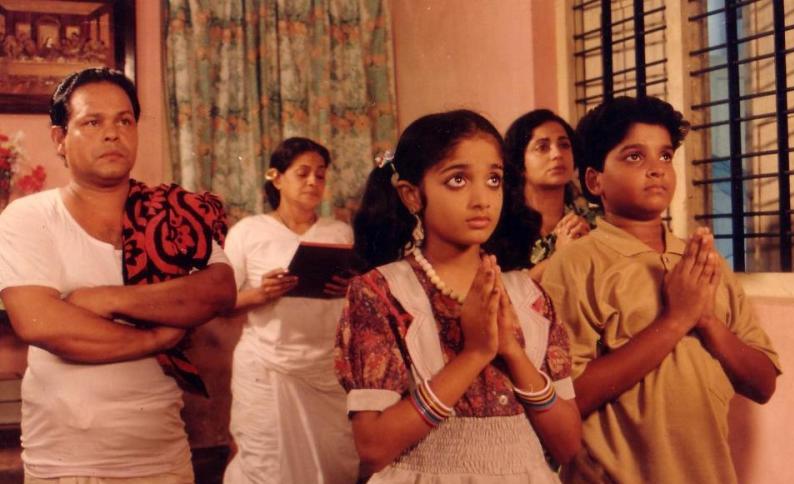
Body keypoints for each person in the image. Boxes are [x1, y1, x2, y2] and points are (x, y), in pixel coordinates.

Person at [0, 68, 236, 483]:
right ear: (59, 138)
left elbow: (218, 289)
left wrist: (105, 299)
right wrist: (156, 337)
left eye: (124, 120)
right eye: (93, 122)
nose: (112, 133)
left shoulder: (173, 211)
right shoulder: (29, 216)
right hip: (64, 465)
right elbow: (42, 323)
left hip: (163, 458)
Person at [540, 96, 781, 483]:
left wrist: (706, 321)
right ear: (594, 181)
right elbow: (567, 398)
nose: (656, 169)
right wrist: (675, 321)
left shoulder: (703, 263)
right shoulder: (577, 264)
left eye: (665, 156)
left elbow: (763, 383)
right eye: (635, 156)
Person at [335, 110, 582, 483]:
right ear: (412, 195)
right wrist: (474, 354)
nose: (482, 199)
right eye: (458, 180)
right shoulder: (382, 293)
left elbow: (568, 446)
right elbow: (373, 447)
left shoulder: (529, 296)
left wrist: (513, 352)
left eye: (493, 179)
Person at [223, 137, 359, 484]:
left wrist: (349, 290)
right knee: (267, 465)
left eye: (320, 175)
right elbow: (221, 303)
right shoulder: (247, 232)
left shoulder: (339, 232)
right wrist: (260, 294)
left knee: (333, 462)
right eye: (303, 173)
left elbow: (359, 305)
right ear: (278, 178)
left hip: (324, 369)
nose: (313, 182)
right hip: (266, 367)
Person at [504, 109, 598, 281]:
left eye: (564, 145)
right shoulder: (500, 227)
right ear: (519, 162)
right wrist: (560, 256)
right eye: (542, 147)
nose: (557, 154)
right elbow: (503, 292)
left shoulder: (592, 223)